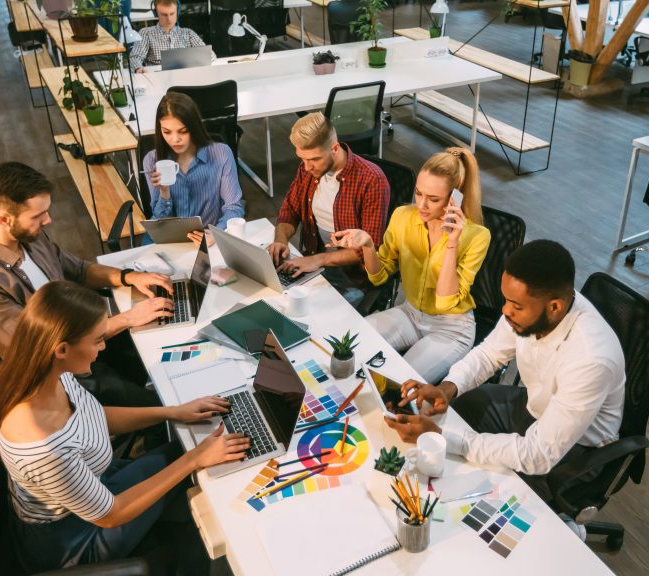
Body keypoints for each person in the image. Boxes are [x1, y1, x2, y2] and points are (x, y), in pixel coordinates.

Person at [0, 281, 250, 572]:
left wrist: (173, 412)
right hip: (79, 535)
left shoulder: (48, 374)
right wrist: (194, 459)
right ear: (62, 348)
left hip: (97, 487)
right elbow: (112, 515)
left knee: (198, 454)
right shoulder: (44, 446)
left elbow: (95, 416)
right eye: (97, 340)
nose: (103, 347)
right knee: (205, 489)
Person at [384, 240, 626, 500]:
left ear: (554, 307)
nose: (505, 310)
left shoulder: (590, 359)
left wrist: (448, 439)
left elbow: (538, 455)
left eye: (516, 306)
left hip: (577, 449)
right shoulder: (535, 306)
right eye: (506, 300)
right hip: (534, 407)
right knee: (462, 407)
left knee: (498, 495)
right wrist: (447, 388)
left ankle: (568, 527)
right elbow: (489, 353)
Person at [0, 162, 173, 408]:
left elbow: (77, 269)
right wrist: (127, 319)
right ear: (4, 219)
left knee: (167, 348)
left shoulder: (28, 237)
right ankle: (154, 428)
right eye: (37, 216)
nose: (48, 220)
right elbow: (47, 345)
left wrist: (129, 277)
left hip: (88, 337)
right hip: (60, 375)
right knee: (163, 404)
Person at [330, 147, 489, 383]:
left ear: (454, 198)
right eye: (418, 193)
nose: (422, 205)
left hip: (451, 328)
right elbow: (379, 276)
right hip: (410, 312)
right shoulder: (403, 216)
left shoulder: (477, 236)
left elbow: (445, 301)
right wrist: (367, 244)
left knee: (398, 383)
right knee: (345, 346)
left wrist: (452, 243)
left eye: (433, 199)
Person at [266, 112, 390, 306]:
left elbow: (370, 247)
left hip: (352, 279)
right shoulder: (308, 169)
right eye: (302, 158)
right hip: (314, 263)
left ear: (334, 148)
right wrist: (281, 240)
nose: (306, 167)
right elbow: (289, 210)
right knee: (272, 300)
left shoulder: (372, 180)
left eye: (314, 159)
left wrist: (319, 260)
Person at [143, 92, 244, 247]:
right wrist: (164, 193)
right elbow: (159, 222)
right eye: (167, 132)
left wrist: (215, 234)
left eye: (183, 131)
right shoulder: (152, 160)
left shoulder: (221, 153)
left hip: (208, 239)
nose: (175, 139)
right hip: (170, 242)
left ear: (194, 127)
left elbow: (234, 208)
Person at [129, 0, 211, 72]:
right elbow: (135, 57)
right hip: (159, 80)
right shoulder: (146, 33)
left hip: (187, 78)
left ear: (177, 11)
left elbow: (209, 54)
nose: (169, 19)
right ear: (155, 13)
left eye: (172, 14)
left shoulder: (188, 33)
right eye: (164, 15)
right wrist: (139, 68)